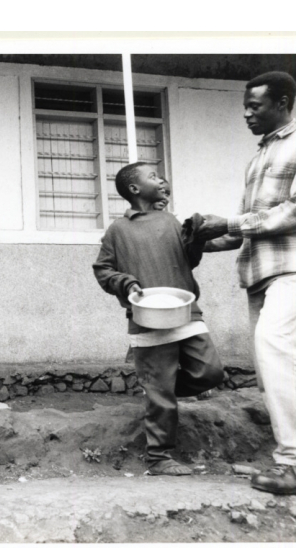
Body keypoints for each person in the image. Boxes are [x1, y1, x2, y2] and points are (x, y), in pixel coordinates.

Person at [197, 71, 296, 495]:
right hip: (259, 274)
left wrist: (230, 221)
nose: (246, 113)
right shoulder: (258, 157)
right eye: (245, 105)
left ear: (282, 103)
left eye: (254, 106)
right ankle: (294, 457)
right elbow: (248, 227)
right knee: (276, 368)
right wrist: (198, 240)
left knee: (277, 351)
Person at [93, 162, 224, 475]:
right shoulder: (118, 230)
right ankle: (159, 457)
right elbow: (103, 270)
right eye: (153, 176)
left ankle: (157, 391)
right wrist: (126, 282)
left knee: (210, 372)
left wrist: (196, 238)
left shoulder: (169, 220)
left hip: (184, 310)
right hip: (147, 316)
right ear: (135, 189)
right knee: (160, 390)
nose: (162, 178)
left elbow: (189, 260)